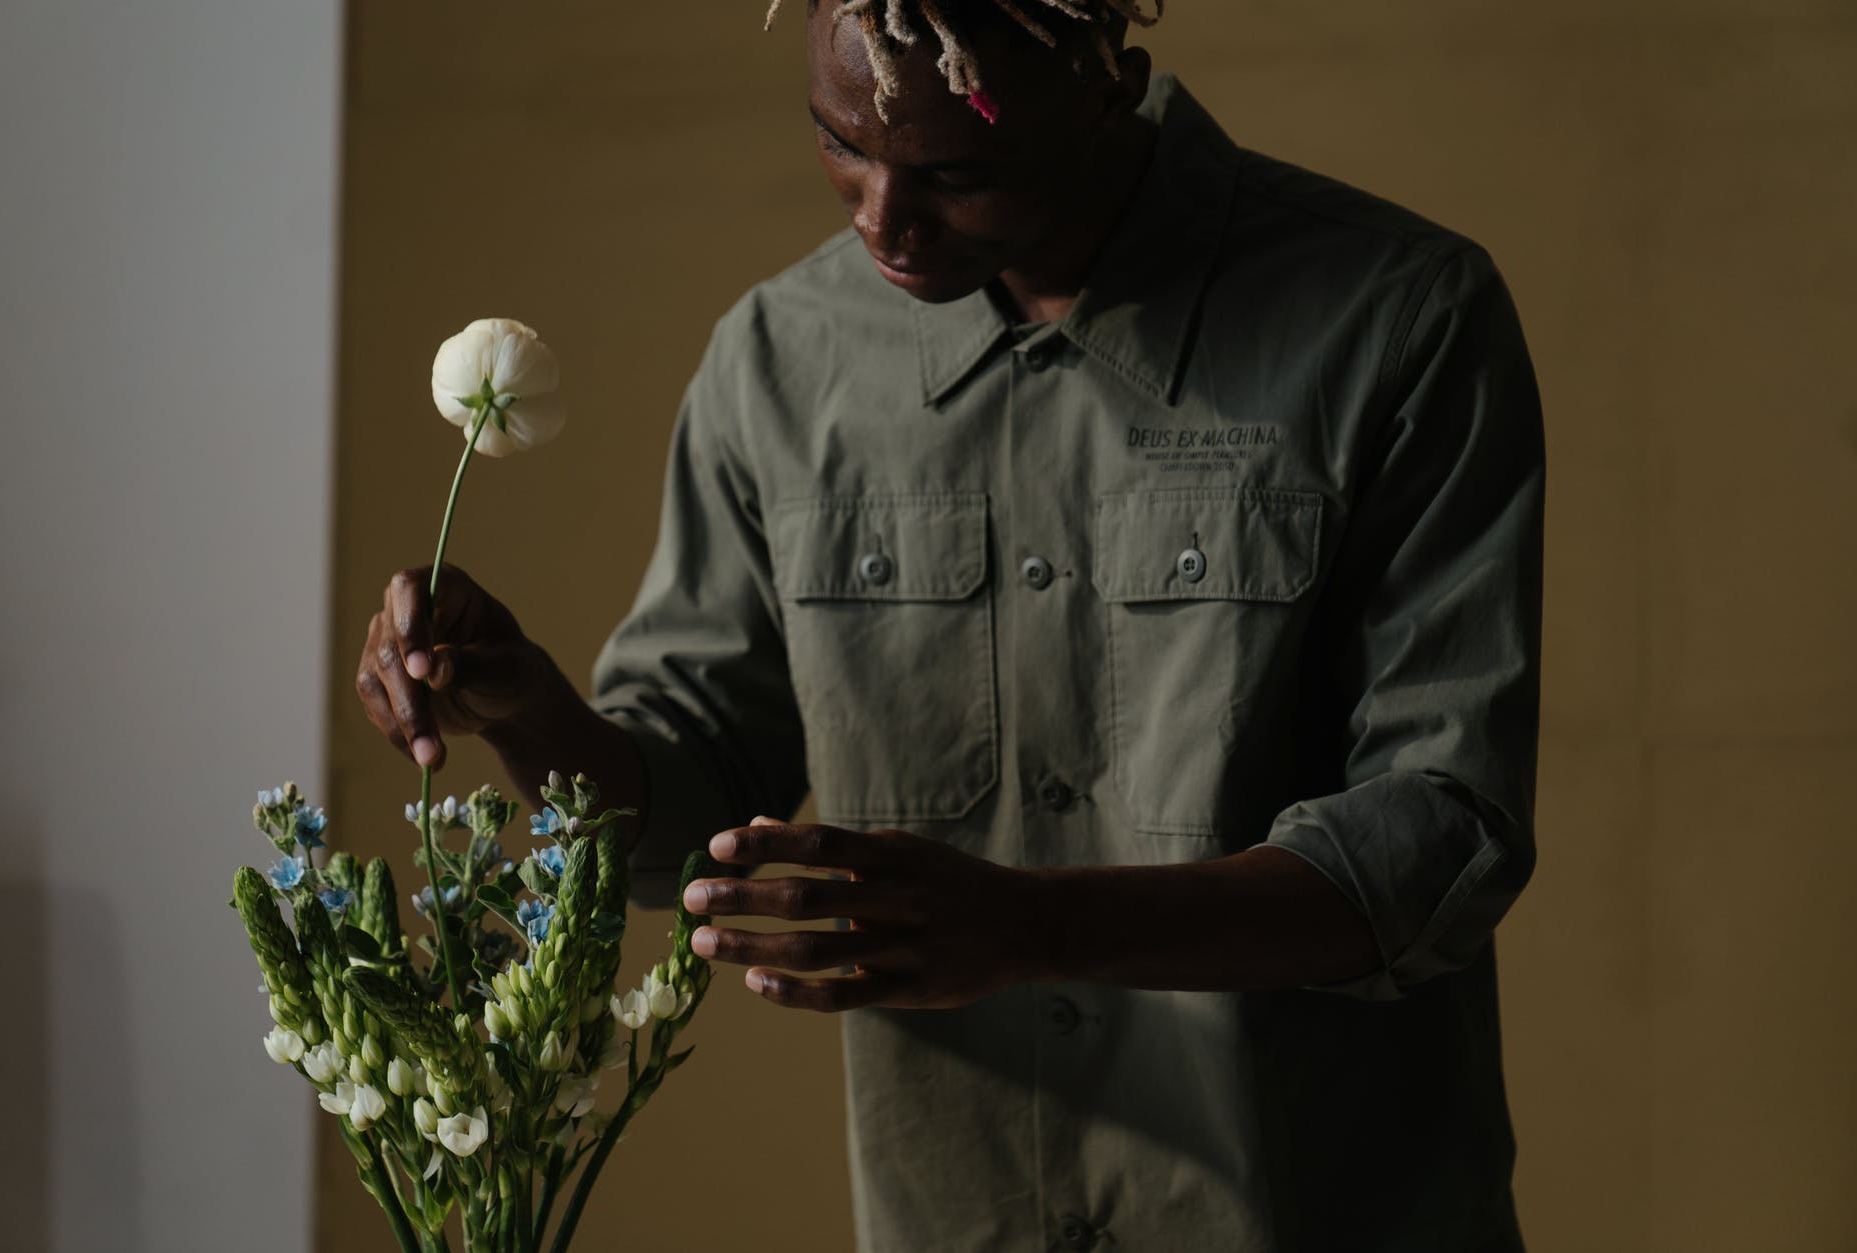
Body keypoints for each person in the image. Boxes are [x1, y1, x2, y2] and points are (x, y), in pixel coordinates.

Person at [355, 1, 1545, 1249]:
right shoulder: (777, 361)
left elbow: (1439, 835)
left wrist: (1033, 926)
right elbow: (682, 827)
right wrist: (526, 710)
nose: (881, 219)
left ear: (1108, 88)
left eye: (954, 172)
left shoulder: (1399, 319)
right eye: (839, 144)